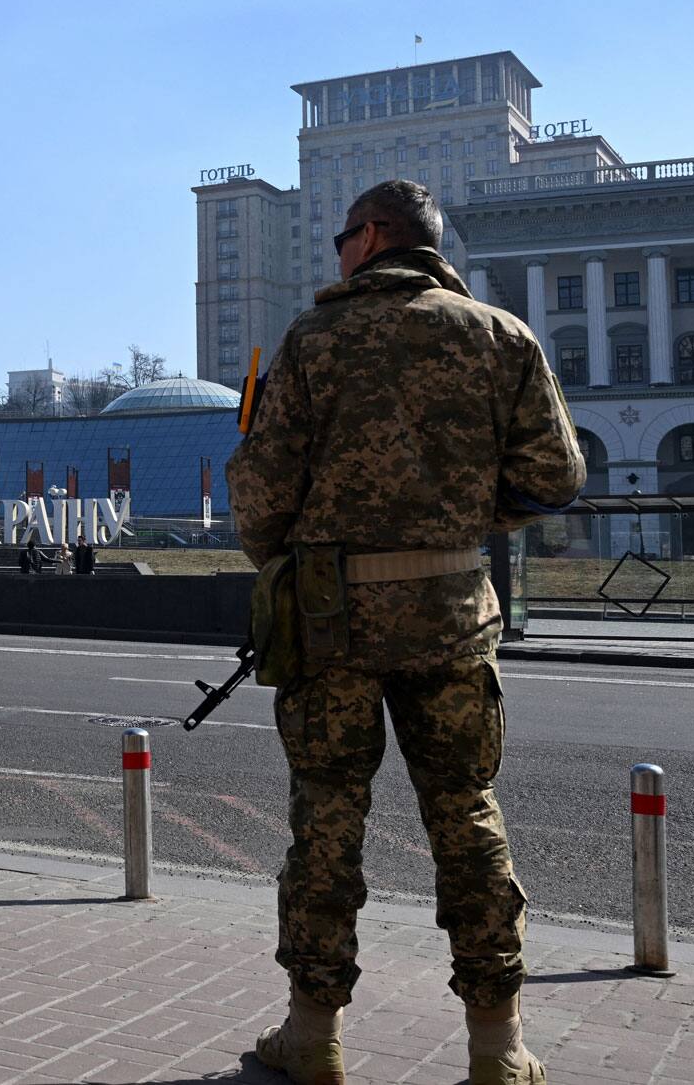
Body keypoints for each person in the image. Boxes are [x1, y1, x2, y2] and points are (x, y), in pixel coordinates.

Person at [226, 180, 582, 1085]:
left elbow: (260, 494)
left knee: (327, 823)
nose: (335, 253)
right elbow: (557, 476)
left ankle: (312, 1038)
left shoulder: (311, 341)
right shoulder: (502, 336)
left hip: (331, 626)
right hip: (453, 618)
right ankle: (498, 1047)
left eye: (343, 237)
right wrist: (467, 519)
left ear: (375, 235)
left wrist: (297, 556)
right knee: (465, 815)